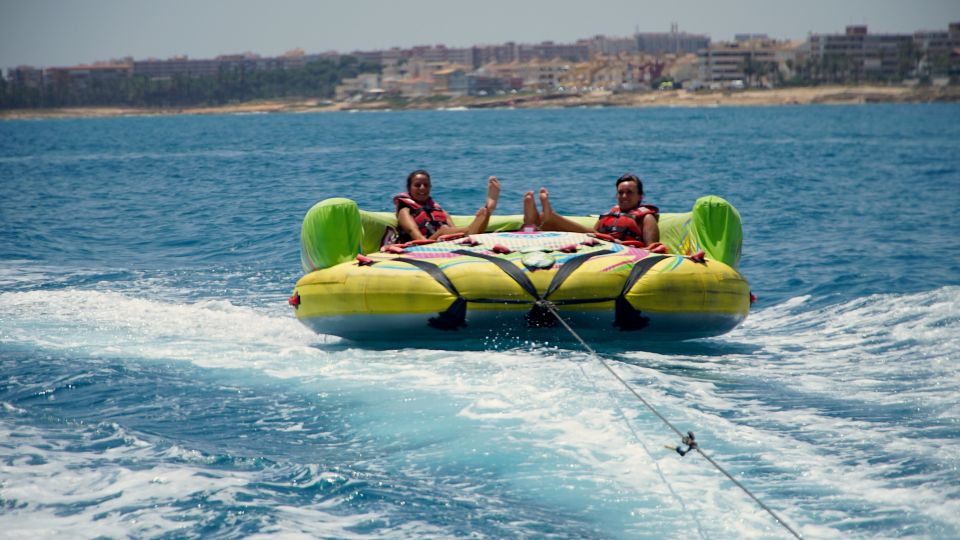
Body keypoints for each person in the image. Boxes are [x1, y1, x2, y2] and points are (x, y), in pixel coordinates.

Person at [522, 173, 662, 248]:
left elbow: (651, 248)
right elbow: (595, 233)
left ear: (640, 196)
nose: (624, 196)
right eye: (621, 192)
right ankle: (534, 221)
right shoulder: (611, 213)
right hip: (598, 243)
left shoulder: (646, 218)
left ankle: (550, 217)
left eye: (629, 192)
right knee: (549, 228)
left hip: (620, 248)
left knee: (588, 234)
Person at [393, 169, 501, 243]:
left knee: (461, 233)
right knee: (445, 229)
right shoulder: (405, 210)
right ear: (409, 188)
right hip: (422, 245)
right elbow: (418, 238)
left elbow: (456, 232)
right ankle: (485, 214)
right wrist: (441, 234)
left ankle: (488, 210)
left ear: (430, 187)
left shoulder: (440, 211)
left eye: (426, 185)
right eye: (417, 185)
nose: (422, 188)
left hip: (445, 242)